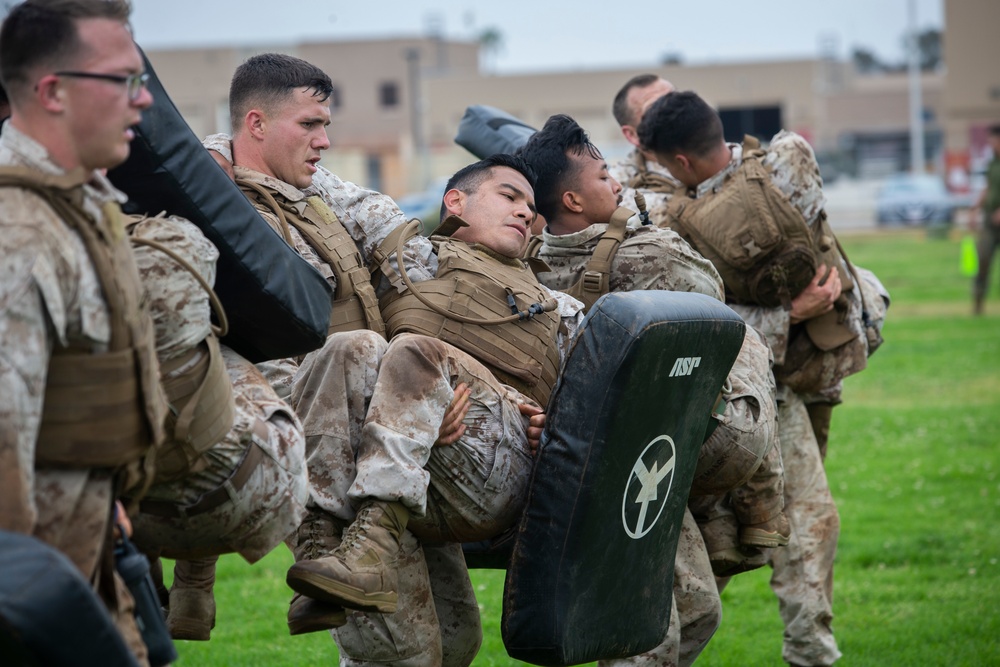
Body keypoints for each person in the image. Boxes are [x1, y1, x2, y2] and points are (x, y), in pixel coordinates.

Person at [209, 53, 481, 666]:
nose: (324, 140)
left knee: (459, 637)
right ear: (255, 124)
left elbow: (397, 252)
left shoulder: (315, 200)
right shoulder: (212, 209)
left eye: (325, 124)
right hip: (325, 460)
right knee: (399, 652)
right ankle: (320, 548)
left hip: (390, 452)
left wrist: (425, 402)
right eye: (308, 124)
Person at [283, 154, 583, 656]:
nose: (525, 213)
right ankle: (325, 541)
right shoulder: (411, 259)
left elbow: (600, 403)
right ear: (455, 202)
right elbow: (319, 180)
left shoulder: (559, 306)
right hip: (415, 456)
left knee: (415, 348)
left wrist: (554, 426)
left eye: (531, 207)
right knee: (344, 346)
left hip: (498, 470)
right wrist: (222, 147)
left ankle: (372, 544)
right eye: (509, 196)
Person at [521, 113, 786, 666]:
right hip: (655, 447)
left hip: (613, 449)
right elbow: (710, 296)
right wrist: (642, 227)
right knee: (747, 345)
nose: (616, 182)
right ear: (571, 200)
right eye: (601, 177)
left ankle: (731, 521)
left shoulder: (525, 266)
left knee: (691, 610)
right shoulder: (650, 251)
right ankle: (760, 512)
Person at [639, 90, 890, 667]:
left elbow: (701, 312)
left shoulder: (668, 214)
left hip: (762, 384)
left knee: (777, 529)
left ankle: (681, 653)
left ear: (675, 160)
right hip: (751, 384)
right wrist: (786, 315)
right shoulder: (788, 160)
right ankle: (805, 653)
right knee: (743, 535)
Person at [0, 1, 167, 663]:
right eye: (123, 79)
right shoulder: (19, 234)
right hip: (32, 600)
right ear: (53, 92)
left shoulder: (77, 207)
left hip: (84, 561)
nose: (144, 98)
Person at [125, 211, 310, 642]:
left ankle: (167, 587)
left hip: (128, 516)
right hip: (254, 495)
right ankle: (317, 557)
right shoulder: (176, 241)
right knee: (226, 365)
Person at [609, 74, 683, 221]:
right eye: (655, 109)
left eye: (676, 100)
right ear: (632, 134)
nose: (675, 112)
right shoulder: (616, 191)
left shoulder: (729, 157)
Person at [971, 124, 1000, 315]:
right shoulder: (993, 163)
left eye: (994, 140)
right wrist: (975, 209)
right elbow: (988, 187)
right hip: (991, 223)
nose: (992, 144)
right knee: (983, 260)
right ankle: (978, 305)